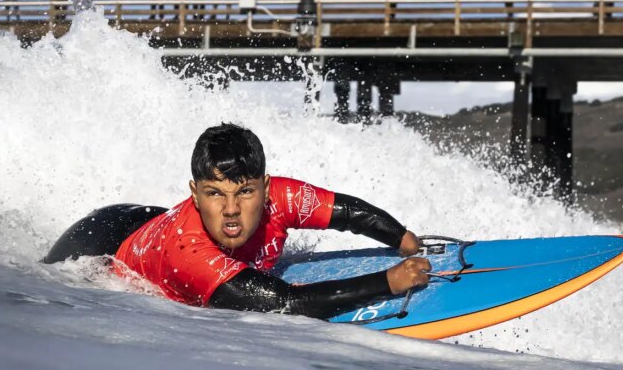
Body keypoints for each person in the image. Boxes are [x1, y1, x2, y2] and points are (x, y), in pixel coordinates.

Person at [43, 123, 430, 319]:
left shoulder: (282, 196)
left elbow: (346, 213)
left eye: (244, 192)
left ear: (264, 187)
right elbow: (285, 304)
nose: (231, 210)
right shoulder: (191, 255)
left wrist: (403, 238)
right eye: (215, 193)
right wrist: (388, 281)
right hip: (102, 241)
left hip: (153, 227)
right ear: (195, 194)